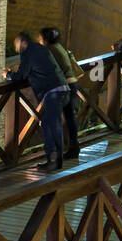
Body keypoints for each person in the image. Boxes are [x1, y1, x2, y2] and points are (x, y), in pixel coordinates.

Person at [4, 32, 69, 172]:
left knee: (49, 125)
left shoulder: (27, 52)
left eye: (16, 44)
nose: (15, 47)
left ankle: (53, 161)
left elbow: (21, 76)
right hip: (62, 88)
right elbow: (33, 70)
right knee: (53, 124)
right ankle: (58, 161)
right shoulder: (40, 49)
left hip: (52, 92)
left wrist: (8, 74)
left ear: (22, 42)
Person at [39, 27, 82, 161]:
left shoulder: (49, 50)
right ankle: (73, 147)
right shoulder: (59, 47)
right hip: (73, 83)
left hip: (63, 86)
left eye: (40, 38)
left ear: (46, 39)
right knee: (69, 118)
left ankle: (55, 151)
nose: (39, 41)